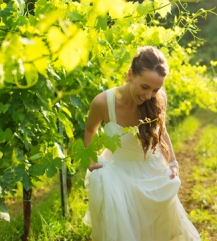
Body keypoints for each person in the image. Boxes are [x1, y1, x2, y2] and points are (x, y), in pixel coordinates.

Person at [83, 46, 201, 241]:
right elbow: (89, 130)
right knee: (125, 229)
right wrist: (89, 159)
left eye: (156, 89)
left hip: (150, 169)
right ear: (130, 75)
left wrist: (172, 162)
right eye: (145, 87)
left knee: (156, 228)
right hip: (118, 173)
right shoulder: (103, 102)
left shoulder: (156, 100)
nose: (149, 96)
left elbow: (161, 132)